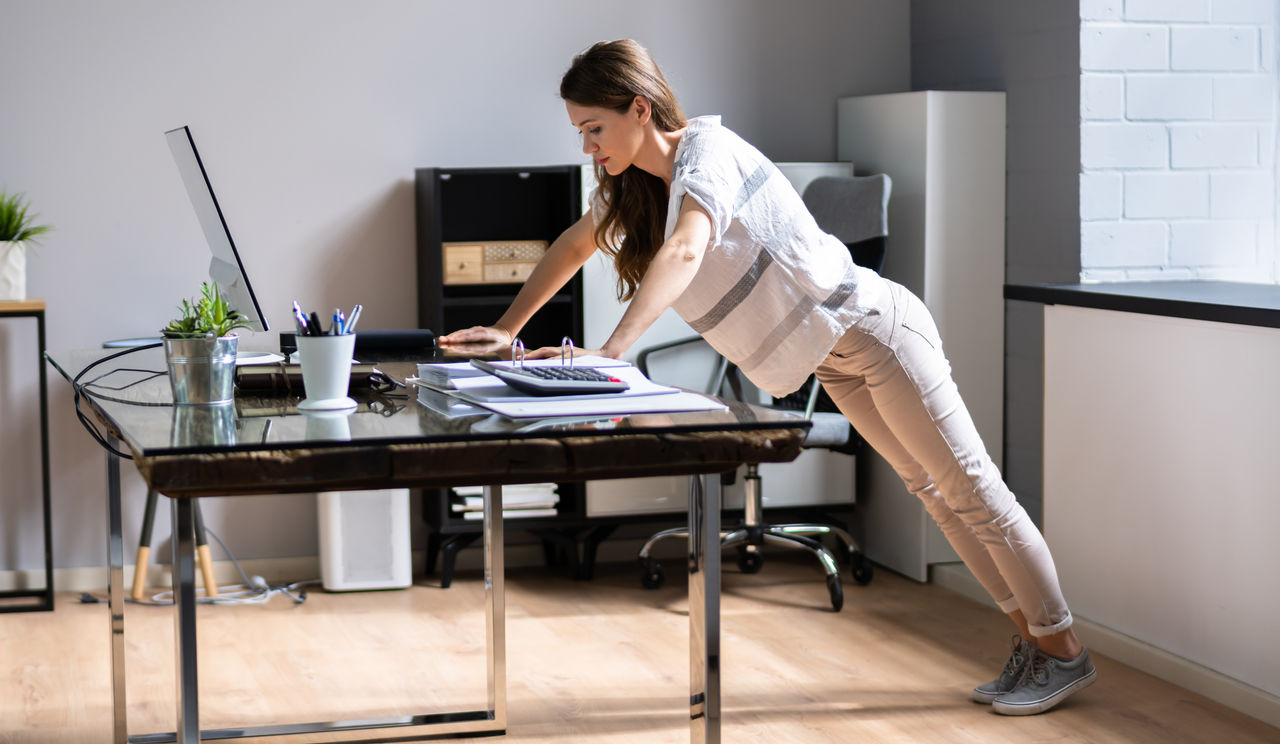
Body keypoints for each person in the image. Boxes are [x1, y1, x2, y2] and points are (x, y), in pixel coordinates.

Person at [439, 38, 1096, 715]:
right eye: (580, 133)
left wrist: (611, 352)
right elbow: (576, 244)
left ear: (640, 108)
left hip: (876, 330)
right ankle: (1036, 646)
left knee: (971, 488)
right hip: (836, 356)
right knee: (934, 492)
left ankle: (1065, 651)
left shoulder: (706, 155)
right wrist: (511, 329)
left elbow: (689, 247)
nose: (588, 147)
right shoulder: (644, 189)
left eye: (594, 129)